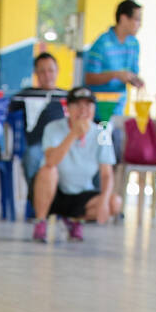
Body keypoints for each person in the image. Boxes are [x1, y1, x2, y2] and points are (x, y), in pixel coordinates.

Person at [31, 85, 119, 243]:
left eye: (88, 105)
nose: (83, 110)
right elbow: (51, 161)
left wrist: (104, 202)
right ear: (68, 108)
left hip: (82, 193)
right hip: (54, 192)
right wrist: (73, 134)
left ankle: (75, 220)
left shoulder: (102, 134)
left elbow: (106, 174)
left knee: (114, 202)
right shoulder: (53, 128)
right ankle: (41, 222)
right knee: (47, 171)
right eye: (78, 105)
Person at [83, 0, 144, 161]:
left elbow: (132, 73)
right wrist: (115, 74)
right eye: (137, 19)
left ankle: (110, 186)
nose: (139, 24)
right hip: (98, 112)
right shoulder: (101, 43)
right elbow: (89, 78)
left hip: (118, 110)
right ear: (123, 18)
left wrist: (135, 80)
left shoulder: (134, 44)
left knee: (116, 154)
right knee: (100, 155)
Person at [10, 51, 66, 188]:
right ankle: (36, 198)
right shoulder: (27, 95)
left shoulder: (67, 96)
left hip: (66, 145)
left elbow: (99, 121)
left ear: (57, 71)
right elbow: (6, 110)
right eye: (42, 71)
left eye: (50, 70)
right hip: (38, 146)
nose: (47, 75)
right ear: (36, 73)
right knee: (32, 157)